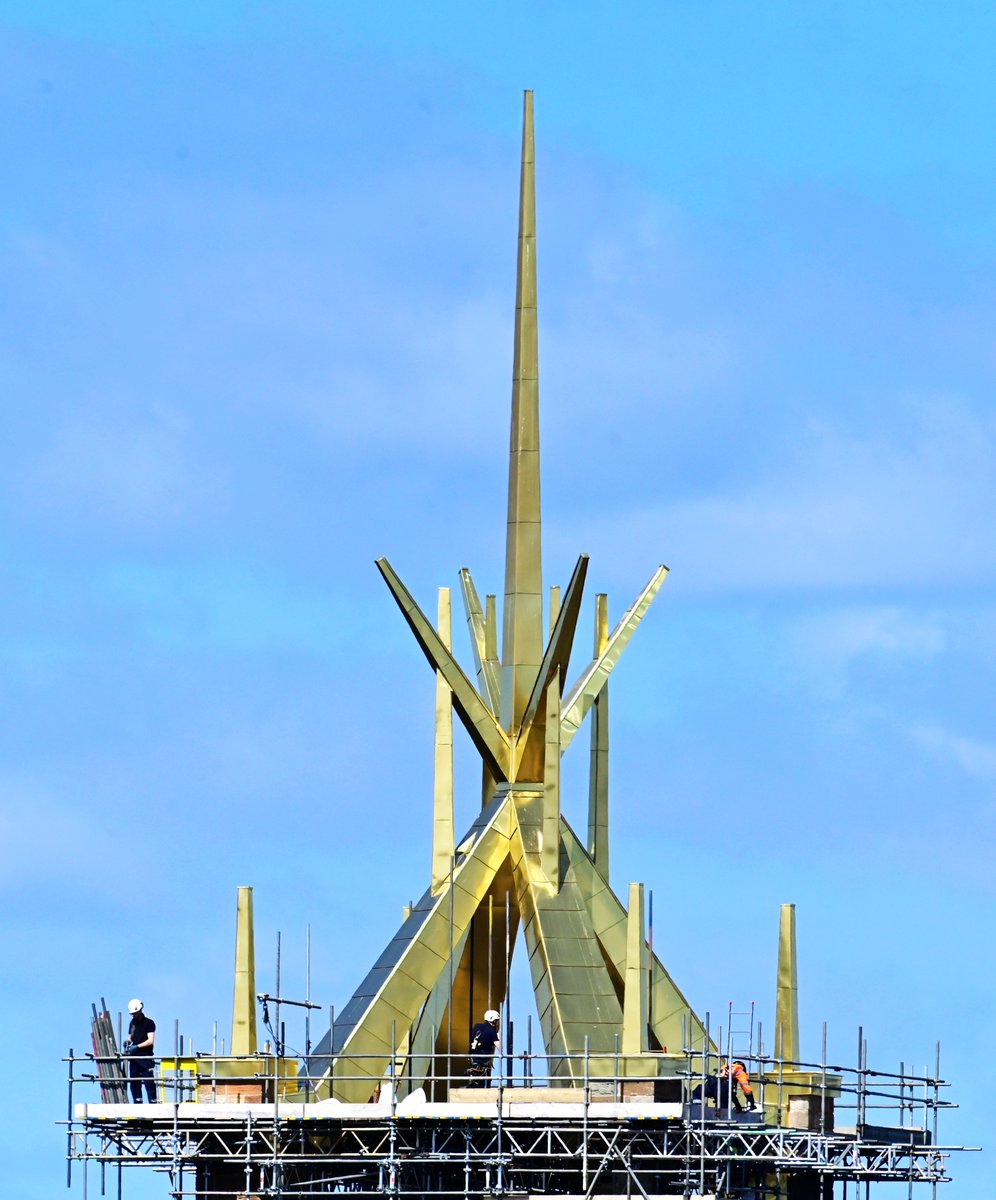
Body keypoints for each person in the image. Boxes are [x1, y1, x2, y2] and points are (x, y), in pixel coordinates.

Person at [124, 998, 157, 1103]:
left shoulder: (149, 1023)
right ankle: (138, 1104)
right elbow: (130, 1036)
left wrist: (137, 1046)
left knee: (149, 1082)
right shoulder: (132, 1023)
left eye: (135, 1013)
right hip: (134, 1058)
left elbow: (150, 1040)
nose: (133, 1016)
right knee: (135, 1083)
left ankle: (153, 1103)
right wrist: (127, 1042)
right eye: (132, 1014)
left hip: (145, 1057)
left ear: (140, 1011)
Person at [467, 1009, 501, 1087]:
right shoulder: (492, 1031)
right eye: (497, 1021)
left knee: (475, 1080)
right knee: (483, 1082)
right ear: (494, 1021)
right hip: (483, 1059)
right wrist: (497, 1037)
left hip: (472, 1057)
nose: (498, 1023)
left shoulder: (477, 1026)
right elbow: (499, 1047)